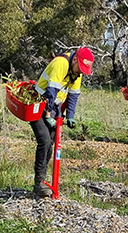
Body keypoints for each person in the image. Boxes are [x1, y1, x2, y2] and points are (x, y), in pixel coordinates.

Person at [30, 47, 94, 197]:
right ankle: (38, 183)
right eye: (81, 68)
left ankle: (42, 181)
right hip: (37, 105)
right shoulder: (61, 63)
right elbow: (51, 92)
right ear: (75, 60)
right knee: (44, 142)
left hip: (52, 109)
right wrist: (47, 115)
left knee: (51, 144)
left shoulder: (76, 73)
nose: (81, 72)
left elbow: (73, 96)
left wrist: (70, 116)